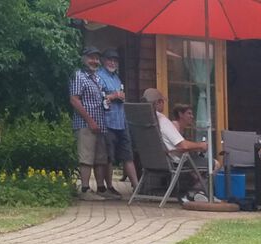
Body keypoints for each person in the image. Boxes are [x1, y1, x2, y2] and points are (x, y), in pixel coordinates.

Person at [142, 88, 208, 202]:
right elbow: (183, 146)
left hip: (150, 162)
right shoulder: (162, 120)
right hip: (173, 161)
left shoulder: (143, 119)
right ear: (158, 102)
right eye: (163, 101)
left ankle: (194, 193)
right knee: (214, 164)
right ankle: (193, 194)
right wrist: (201, 145)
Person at [69, 47, 113, 201]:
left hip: (100, 123)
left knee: (100, 158)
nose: (94, 61)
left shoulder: (97, 78)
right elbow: (74, 99)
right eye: (91, 58)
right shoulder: (78, 76)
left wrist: (106, 101)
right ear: (84, 59)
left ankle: (101, 189)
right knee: (86, 157)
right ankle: (85, 189)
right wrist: (90, 120)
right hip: (86, 123)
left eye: (96, 58)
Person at [97, 48, 137, 193]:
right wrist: (114, 96)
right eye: (110, 59)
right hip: (107, 122)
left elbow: (120, 95)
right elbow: (99, 99)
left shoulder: (117, 78)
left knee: (128, 154)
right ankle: (109, 187)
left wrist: (121, 96)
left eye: (115, 60)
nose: (112, 63)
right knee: (108, 157)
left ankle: (136, 186)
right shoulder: (99, 76)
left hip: (121, 120)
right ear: (103, 61)